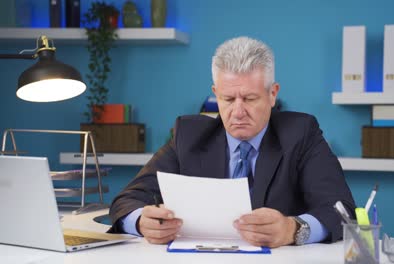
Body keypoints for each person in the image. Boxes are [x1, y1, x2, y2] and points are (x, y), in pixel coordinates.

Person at [109, 36, 356, 248]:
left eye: (249, 98)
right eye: (228, 99)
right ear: (215, 94)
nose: (237, 112)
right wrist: (141, 222)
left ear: (272, 94)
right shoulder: (189, 134)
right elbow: (127, 200)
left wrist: (293, 229)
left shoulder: (301, 133)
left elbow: (342, 211)